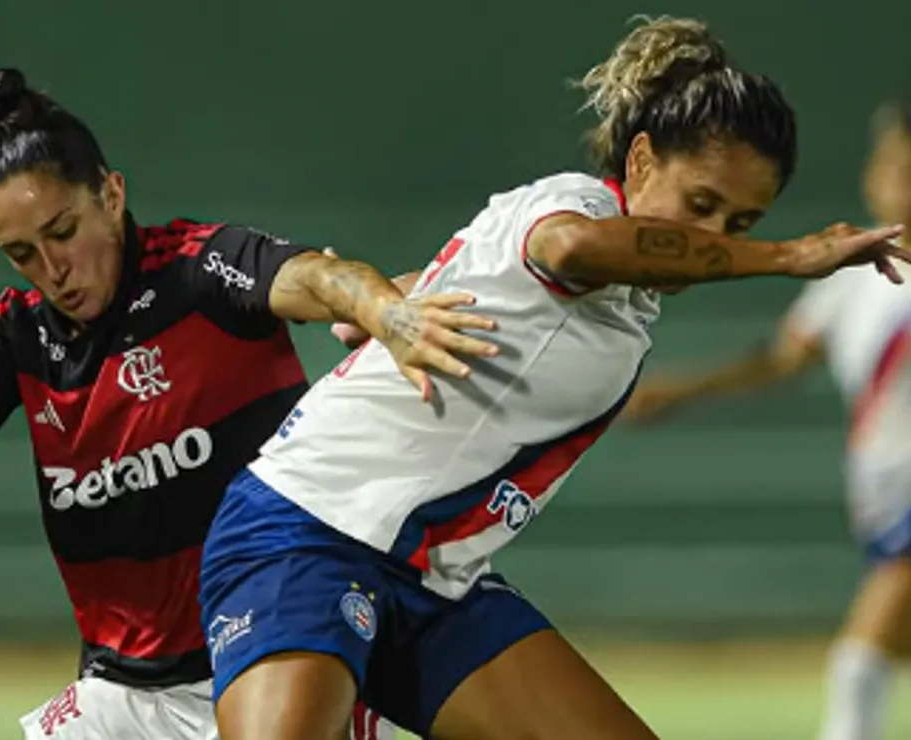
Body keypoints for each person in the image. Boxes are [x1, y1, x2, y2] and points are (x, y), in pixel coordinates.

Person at [197, 16, 911, 740]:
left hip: (430, 581)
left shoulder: (626, 303)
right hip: (307, 530)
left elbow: (478, 279)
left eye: (742, 219)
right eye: (700, 206)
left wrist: (393, 303)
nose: (716, 238)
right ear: (638, 163)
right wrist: (786, 255)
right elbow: (570, 247)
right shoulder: (574, 206)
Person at [0, 67, 489, 740]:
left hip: (273, 660)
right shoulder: (17, 334)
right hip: (120, 690)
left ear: (111, 196)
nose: (52, 268)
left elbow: (322, 279)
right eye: (22, 253)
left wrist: (392, 317)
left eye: (63, 231)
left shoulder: (203, 269)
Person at [621, 99, 911, 740]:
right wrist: (679, 390)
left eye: (903, 163)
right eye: (887, 161)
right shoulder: (853, 278)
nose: (889, 176)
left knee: (858, 668)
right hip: (883, 500)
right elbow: (779, 360)